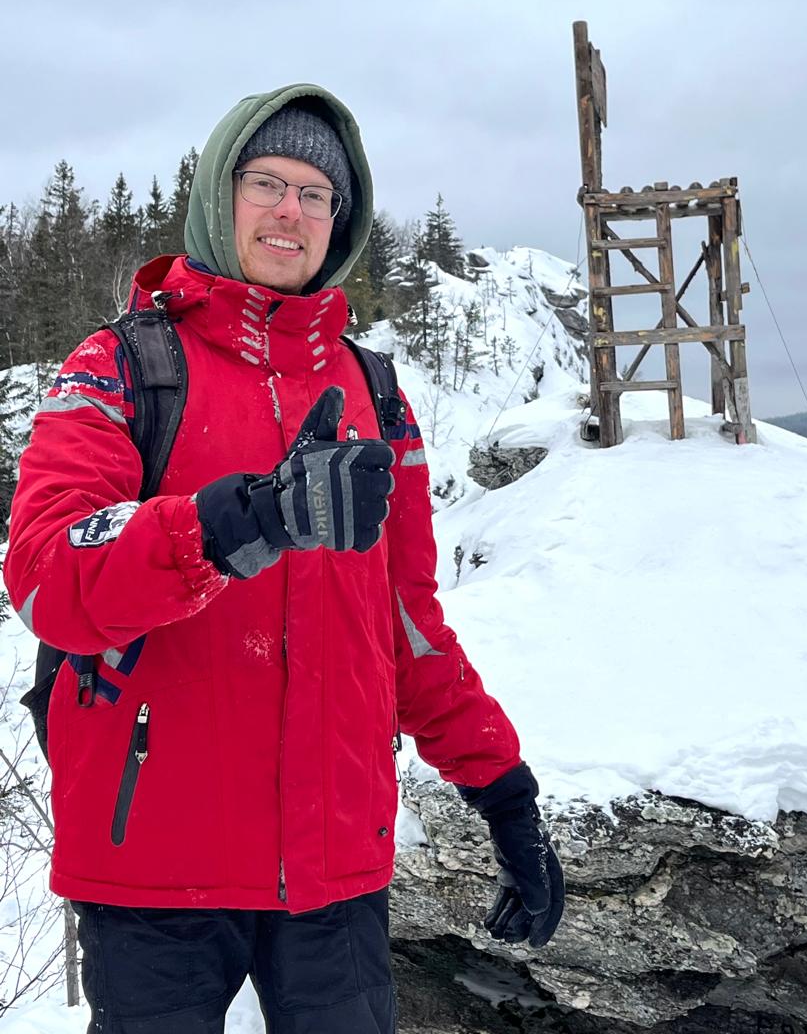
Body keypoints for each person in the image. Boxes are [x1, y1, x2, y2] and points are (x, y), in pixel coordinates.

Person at [4, 84, 564, 1034]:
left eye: (316, 194)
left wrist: (505, 795)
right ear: (220, 196)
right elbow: (50, 575)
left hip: (333, 875)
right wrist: (235, 524)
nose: (290, 211)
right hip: (154, 872)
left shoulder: (373, 391)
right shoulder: (121, 366)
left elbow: (409, 629)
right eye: (267, 181)